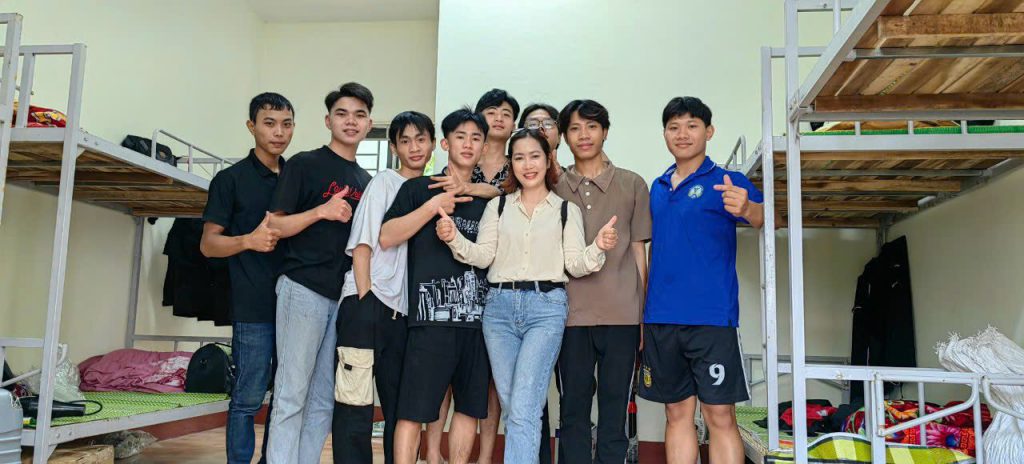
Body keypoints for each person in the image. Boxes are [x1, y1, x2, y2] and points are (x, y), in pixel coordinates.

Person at [436, 128, 617, 464]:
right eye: (519, 157)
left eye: (535, 156)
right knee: (516, 408)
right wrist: (453, 238)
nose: (527, 164)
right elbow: (483, 256)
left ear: (548, 160)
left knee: (522, 408)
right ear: (511, 164)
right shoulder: (498, 207)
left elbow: (576, 265)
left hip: (545, 308)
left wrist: (598, 247)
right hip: (499, 311)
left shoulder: (566, 210)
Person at [640, 96, 764, 464]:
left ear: (709, 132)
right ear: (664, 134)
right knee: (676, 413)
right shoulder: (658, 186)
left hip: (711, 319)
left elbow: (769, 219)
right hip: (661, 319)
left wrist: (749, 208)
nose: (682, 134)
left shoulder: (727, 181)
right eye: (674, 127)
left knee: (719, 415)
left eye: (692, 126)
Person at [264, 82, 375, 464]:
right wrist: (321, 211)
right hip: (303, 288)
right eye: (342, 114)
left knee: (323, 399)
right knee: (291, 393)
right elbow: (274, 226)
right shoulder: (304, 164)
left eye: (359, 115)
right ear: (328, 120)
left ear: (369, 124)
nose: (351, 121)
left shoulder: (366, 182)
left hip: (340, 296)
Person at [380, 108, 491, 464]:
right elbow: (387, 236)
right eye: (460, 136)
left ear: (484, 147)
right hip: (430, 321)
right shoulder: (417, 189)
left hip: (478, 324)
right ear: (445, 144)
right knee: (413, 410)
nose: (468, 144)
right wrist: (432, 207)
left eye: (476, 138)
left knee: (469, 409)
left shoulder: (491, 201)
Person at [332, 111, 436, 464]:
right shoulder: (384, 183)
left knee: (399, 408)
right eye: (405, 141)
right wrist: (365, 299)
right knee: (355, 403)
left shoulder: (430, 191)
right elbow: (363, 244)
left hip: (402, 315)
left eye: (420, 139)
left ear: (433, 144)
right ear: (394, 148)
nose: (414, 147)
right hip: (367, 304)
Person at [553, 99, 652, 464]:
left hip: (622, 315)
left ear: (605, 131)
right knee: (573, 410)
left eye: (592, 126)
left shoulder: (632, 183)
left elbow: (639, 251)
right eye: (575, 128)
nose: (584, 135)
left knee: (615, 411)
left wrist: (643, 315)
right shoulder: (553, 187)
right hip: (568, 316)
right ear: (564, 136)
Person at [200, 92, 294, 464]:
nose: (279, 132)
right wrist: (248, 241)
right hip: (253, 305)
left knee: (286, 398)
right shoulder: (231, 179)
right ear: (251, 126)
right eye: (269, 123)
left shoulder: (297, 175)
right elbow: (208, 245)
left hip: (298, 305)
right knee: (248, 398)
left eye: (286, 124)